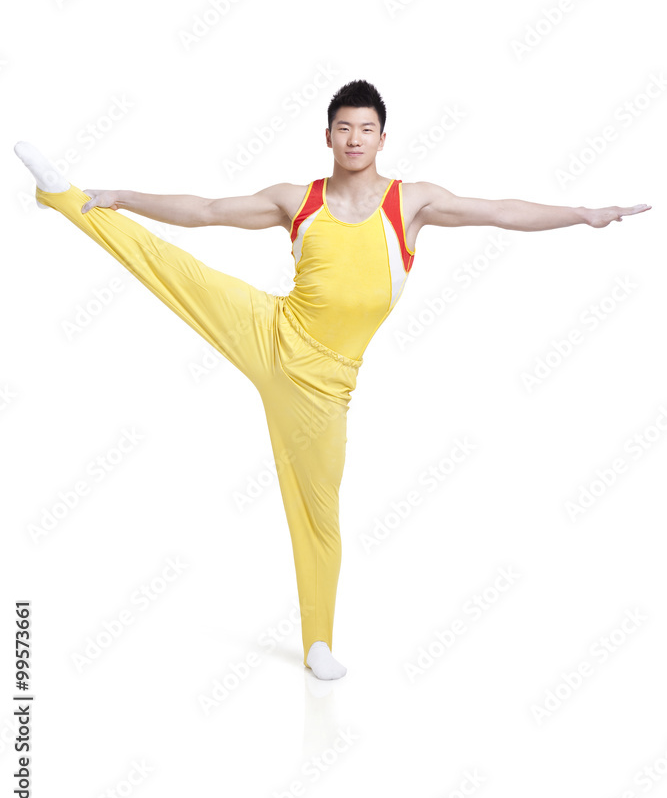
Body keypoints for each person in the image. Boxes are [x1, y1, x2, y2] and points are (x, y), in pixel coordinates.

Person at [14, 79, 651, 680]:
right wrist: (122, 196)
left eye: (365, 129)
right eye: (343, 128)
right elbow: (206, 210)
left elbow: (502, 212)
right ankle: (65, 195)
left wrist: (584, 213)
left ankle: (318, 641)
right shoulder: (299, 200)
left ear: (381, 138)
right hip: (268, 332)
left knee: (319, 515)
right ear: (328, 136)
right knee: (175, 270)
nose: (353, 139)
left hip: (324, 392)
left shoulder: (413, 203)